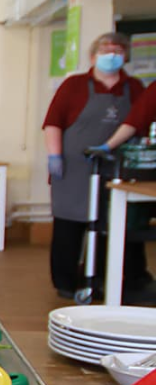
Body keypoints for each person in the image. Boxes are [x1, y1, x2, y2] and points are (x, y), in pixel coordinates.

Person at [44, 33, 149, 301]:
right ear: (93, 56)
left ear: (125, 56)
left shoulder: (134, 87)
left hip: (115, 167)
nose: (112, 54)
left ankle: (104, 278)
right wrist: (55, 156)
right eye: (105, 49)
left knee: (110, 224)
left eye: (118, 49)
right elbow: (53, 121)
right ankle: (66, 281)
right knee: (69, 225)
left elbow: (140, 122)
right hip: (74, 168)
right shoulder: (75, 85)